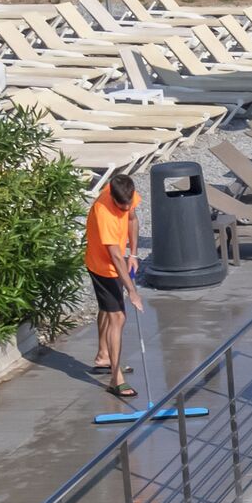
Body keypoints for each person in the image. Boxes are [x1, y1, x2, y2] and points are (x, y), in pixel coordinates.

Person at [80, 164, 148, 399]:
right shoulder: (104, 211)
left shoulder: (125, 191)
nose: (127, 208)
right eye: (122, 206)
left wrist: (134, 254)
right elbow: (114, 257)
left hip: (115, 262)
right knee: (117, 316)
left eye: (129, 203)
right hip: (102, 267)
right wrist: (132, 291)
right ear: (112, 197)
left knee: (108, 311)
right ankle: (115, 379)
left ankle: (103, 357)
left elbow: (133, 219)